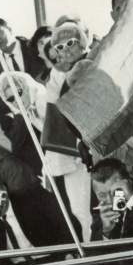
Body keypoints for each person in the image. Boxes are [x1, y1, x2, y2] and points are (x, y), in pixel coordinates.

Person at [43, 22, 95, 241]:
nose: (66, 49)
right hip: (76, 153)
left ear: (82, 42)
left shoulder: (98, 61)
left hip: (107, 144)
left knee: (115, 198)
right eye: (60, 47)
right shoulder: (56, 76)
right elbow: (55, 114)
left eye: (71, 42)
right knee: (81, 210)